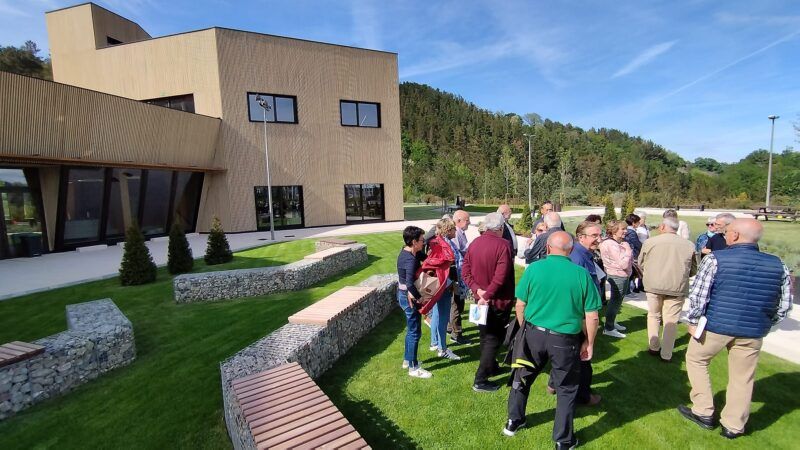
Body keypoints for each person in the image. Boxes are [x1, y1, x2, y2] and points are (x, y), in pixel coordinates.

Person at [679, 219, 792, 439]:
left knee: (696, 360)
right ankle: (734, 424)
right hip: (752, 331)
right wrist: (766, 322)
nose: (725, 235)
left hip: (716, 326)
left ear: (736, 235)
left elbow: (699, 295)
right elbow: (784, 305)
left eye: (728, 232)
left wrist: (693, 321)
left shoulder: (715, 259)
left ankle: (703, 410)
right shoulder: (778, 264)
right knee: (743, 377)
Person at [504, 231, 601, 448]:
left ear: (547, 248)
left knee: (522, 377)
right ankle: (563, 440)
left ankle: (513, 421)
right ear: (571, 250)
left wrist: (524, 328)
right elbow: (592, 316)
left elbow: (520, 304)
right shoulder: (581, 274)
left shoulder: (534, 268)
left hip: (534, 334)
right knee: (566, 388)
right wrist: (589, 342)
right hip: (565, 340)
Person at [545, 221, 604, 406]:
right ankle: (583, 395)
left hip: (580, 315)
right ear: (581, 237)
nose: (599, 239)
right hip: (580, 317)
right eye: (594, 236)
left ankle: (553, 384)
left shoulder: (584, 254)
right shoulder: (577, 257)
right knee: (583, 357)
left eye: (599, 235)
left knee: (568, 356)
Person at [462, 212, 516, 392]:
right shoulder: (503, 245)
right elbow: (501, 276)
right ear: (500, 228)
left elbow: (465, 271)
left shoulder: (475, 243)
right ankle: (480, 379)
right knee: (493, 338)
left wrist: (477, 290)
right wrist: (486, 294)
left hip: (481, 300)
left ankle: (491, 366)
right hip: (497, 301)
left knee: (485, 336)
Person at [638, 217, 696, 362]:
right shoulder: (689, 245)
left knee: (654, 315)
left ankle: (654, 347)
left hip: (654, 285)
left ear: (663, 227)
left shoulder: (650, 242)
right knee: (671, 320)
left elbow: (641, 263)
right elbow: (694, 269)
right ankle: (666, 353)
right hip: (676, 286)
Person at [396, 226, 432, 378]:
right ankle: (413, 367)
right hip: (408, 297)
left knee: (411, 330)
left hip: (405, 295)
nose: (424, 243)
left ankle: (407, 360)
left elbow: (426, 258)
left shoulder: (411, 252)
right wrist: (419, 298)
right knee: (415, 332)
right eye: (422, 240)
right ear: (414, 242)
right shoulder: (409, 260)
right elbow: (410, 284)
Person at [427, 218, 461, 361]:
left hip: (439, 284)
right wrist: (452, 282)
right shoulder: (444, 245)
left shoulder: (436, 242)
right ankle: (443, 349)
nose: (455, 231)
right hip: (444, 285)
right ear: (448, 230)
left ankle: (435, 342)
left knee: (437, 314)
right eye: (453, 228)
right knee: (443, 317)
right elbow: (447, 266)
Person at [599, 220, 633, 338]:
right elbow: (623, 264)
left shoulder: (615, 243)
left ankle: (611, 322)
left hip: (619, 274)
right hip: (618, 275)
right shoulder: (611, 244)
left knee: (617, 300)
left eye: (625, 228)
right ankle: (609, 328)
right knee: (615, 301)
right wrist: (628, 250)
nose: (626, 231)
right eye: (622, 229)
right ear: (614, 231)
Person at [448, 210, 472, 345]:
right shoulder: (456, 234)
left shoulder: (459, 233)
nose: (469, 222)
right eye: (467, 220)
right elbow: (457, 256)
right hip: (456, 276)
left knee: (458, 304)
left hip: (459, 276)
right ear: (458, 221)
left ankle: (450, 328)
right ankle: (456, 334)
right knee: (456, 305)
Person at [624, 214, 643, 293]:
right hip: (633, 254)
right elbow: (637, 244)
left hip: (629, 253)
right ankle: (629, 289)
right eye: (638, 222)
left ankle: (631, 288)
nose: (639, 223)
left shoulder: (627, 231)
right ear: (633, 223)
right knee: (632, 272)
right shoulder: (631, 232)